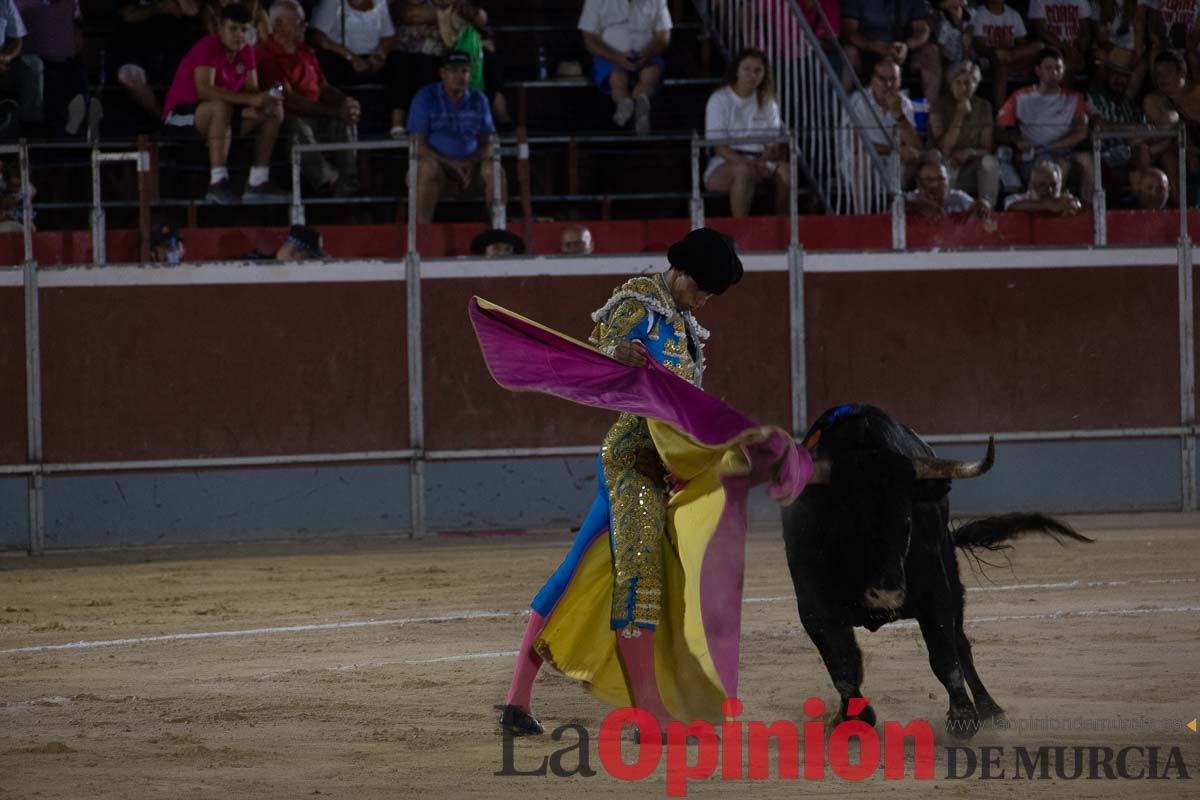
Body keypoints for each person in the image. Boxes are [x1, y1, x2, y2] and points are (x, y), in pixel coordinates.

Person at [497, 227, 745, 736]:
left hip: (664, 466)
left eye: (708, 297)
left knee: (576, 572)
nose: (702, 302)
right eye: (699, 290)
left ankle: (517, 701)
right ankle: (647, 714)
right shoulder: (638, 301)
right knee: (640, 574)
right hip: (630, 459)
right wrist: (618, 355)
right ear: (679, 272)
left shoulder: (684, 323)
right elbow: (601, 356)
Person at [162, 3, 290, 205]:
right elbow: (204, 90)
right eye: (233, 29)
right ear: (220, 28)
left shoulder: (246, 51)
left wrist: (266, 97)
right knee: (220, 106)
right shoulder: (208, 46)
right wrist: (250, 99)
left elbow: (252, 90)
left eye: (244, 30)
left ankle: (258, 181)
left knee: (273, 110)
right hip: (182, 115)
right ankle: (217, 183)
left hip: (224, 118)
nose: (239, 35)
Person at [256, 0, 361, 196]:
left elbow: (324, 87)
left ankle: (349, 182)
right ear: (278, 24)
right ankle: (328, 181)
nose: (304, 26)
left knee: (346, 118)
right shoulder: (265, 56)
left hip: (318, 115)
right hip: (289, 120)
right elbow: (290, 100)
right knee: (297, 127)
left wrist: (345, 102)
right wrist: (332, 111)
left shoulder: (305, 52)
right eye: (298, 22)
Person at [407, 48, 501, 223]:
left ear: (470, 74)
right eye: (453, 70)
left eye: (464, 71)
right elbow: (417, 144)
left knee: (495, 171)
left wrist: (471, 162)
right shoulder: (426, 97)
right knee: (425, 168)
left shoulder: (479, 99)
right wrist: (451, 164)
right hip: (440, 169)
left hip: (472, 169)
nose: (459, 75)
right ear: (442, 73)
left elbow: (488, 141)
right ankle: (421, 236)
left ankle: (497, 233)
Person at [997, 47, 1094, 204]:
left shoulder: (1074, 98)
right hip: (1034, 156)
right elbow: (999, 130)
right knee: (1058, 166)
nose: (1054, 73)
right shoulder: (1021, 97)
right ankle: (1055, 208)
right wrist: (1016, 141)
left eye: (1058, 68)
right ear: (1038, 71)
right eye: (1048, 68)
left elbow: (1081, 132)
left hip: (1064, 151)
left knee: (1088, 161)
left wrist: (1052, 146)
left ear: (1063, 71)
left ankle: (1088, 212)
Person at [703, 48, 788, 218]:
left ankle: (783, 222)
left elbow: (774, 143)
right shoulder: (719, 99)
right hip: (726, 162)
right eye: (747, 69)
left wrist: (764, 159)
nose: (752, 75)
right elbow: (719, 147)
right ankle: (741, 227)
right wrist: (749, 163)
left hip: (761, 160)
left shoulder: (768, 102)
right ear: (737, 70)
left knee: (786, 171)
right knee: (743, 170)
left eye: (758, 70)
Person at [309, 0, 406, 135]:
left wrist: (380, 54)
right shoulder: (332, 3)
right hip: (341, 56)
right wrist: (351, 57)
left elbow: (388, 36)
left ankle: (397, 124)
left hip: (371, 57)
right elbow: (318, 37)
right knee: (326, 62)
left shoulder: (380, 3)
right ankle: (334, 123)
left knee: (399, 61)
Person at [578, 0, 672, 135]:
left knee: (651, 73)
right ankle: (624, 105)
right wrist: (616, 57)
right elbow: (589, 37)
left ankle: (641, 102)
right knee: (617, 78)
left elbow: (663, 35)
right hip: (609, 57)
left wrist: (647, 55)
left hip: (646, 55)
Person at [113, 0, 204, 124]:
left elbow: (193, 9)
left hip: (174, 50)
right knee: (127, 76)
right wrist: (158, 7)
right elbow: (126, 15)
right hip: (136, 50)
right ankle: (163, 119)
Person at [841, 0, 941, 103]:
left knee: (931, 51)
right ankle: (843, 111)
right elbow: (849, 32)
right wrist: (873, 46)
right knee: (848, 52)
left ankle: (928, 111)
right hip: (867, 54)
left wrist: (907, 45)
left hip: (902, 54)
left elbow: (923, 29)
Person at [929, 60, 999, 205]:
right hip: (946, 158)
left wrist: (971, 152)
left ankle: (987, 209)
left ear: (976, 85)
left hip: (973, 159)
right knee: (947, 165)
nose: (963, 88)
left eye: (968, 83)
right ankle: (945, 210)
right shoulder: (938, 106)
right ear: (951, 84)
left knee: (990, 163)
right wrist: (959, 115)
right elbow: (944, 146)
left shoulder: (984, 106)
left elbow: (987, 147)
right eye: (958, 82)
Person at [845, 56, 923, 181]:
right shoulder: (857, 101)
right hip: (861, 161)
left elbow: (916, 146)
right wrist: (895, 150)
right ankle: (866, 201)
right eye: (882, 79)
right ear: (873, 79)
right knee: (864, 159)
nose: (888, 85)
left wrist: (899, 114)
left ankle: (906, 199)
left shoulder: (905, 103)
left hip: (894, 161)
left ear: (900, 80)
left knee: (931, 157)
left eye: (893, 79)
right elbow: (856, 146)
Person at [1143, 49, 1200, 207]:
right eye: (1158, 74)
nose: (1162, 78)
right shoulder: (1154, 100)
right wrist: (1189, 152)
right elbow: (1167, 136)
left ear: (1182, 72)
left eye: (1167, 72)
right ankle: (1184, 211)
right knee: (1168, 158)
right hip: (1177, 152)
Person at [1085, 46, 1150, 180]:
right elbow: (1098, 125)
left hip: (1131, 159)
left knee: (1143, 150)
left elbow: (1144, 134)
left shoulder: (1131, 104)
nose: (1119, 80)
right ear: (1107, 74)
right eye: (1115, 74)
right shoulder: (1093, 98)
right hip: (1101, 159)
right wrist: (1132, 129)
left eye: (1124, 76)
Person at [969, 0, 1043, 107]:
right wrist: (999, 50)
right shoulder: (978, 13)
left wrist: (1010, 53)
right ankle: (1000, 114)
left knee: (1040, 46)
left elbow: (1022, 43)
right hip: (990, 60)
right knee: (1001, 61)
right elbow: (980, 48)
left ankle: (1008, 56)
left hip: (1012, 58)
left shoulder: (1013, 14)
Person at [1028, 0, 1097, 86]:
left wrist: (1080, 50)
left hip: (1075, 48)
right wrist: (1066, 49)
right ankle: (1061, 96)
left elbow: (1086, 32)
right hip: (1050, 48)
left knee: (1076, 59)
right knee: (1065, 62)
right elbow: (1041, 31)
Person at [904, 156, 993, 221]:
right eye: (929, 179)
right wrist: (921, 207)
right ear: (919, 183)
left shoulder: (957, 197)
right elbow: (901, 207)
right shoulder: (911, 198)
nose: (935, 184)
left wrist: (983, 203)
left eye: (941, 179)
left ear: (948, 181)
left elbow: (975, 206)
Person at [1003, 158, 1085, 213]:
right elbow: (1011, 206)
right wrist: (1048, 205)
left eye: (1053, 185)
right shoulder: (1016, 199)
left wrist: (1074, 205)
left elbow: (1078, 205)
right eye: (1042, 184)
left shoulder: (1063, 202)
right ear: (1031, 185)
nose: (1049, 190)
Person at [203, 0, 268, 44]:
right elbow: (213, 41)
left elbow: (264, 38)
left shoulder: (254, 4)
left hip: (254, 53)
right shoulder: (211, 9)